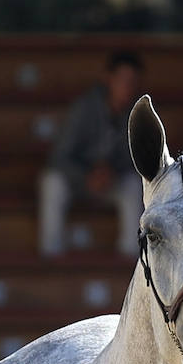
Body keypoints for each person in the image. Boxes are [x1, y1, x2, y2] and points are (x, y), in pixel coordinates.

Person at [38, 50, 144, 257]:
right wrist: (87, 175)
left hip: (114, 181)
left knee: (134, 184)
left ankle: (132, 258)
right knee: (51, 182)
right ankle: (51, 254)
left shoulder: (139, 112)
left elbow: (141, 158)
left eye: (132, 81)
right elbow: (59, 157)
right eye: (122, 80)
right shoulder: (84, 108)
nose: (126, 87)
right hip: (78, 180)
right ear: (109, 79)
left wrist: (111, 172)